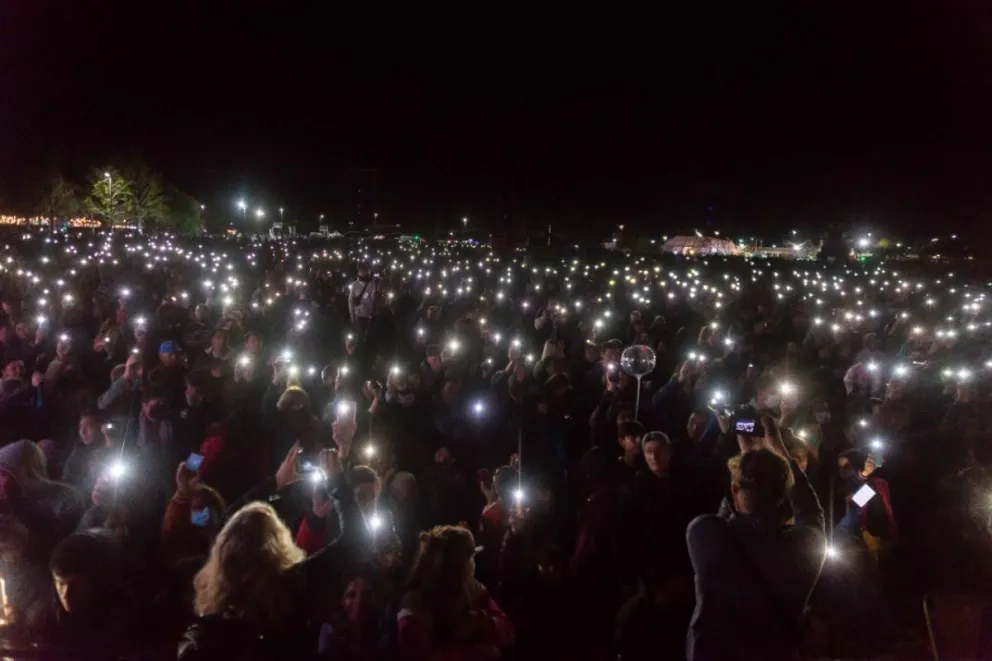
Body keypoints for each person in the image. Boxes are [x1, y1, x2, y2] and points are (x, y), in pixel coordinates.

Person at [686, 416, 826, 661]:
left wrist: (746, 463)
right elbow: (811, 513)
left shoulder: (703, 532)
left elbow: (725, 520)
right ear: (785, 493)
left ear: (734, 488)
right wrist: (782, 455)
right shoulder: (805, 544)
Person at [398, 525, 514, 660]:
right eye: (470, 558)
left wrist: (479, 622)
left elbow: (507, 630)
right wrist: (475, 653)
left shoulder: (473, 589)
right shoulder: (415, 602)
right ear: (456, 564)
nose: (474, 563)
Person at [349, 263, 379, 343]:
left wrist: (375, 293)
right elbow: (351, 301)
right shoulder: (354, 284)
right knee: (360, 337)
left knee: (370, 337)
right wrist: (352, 315)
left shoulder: (372, 284)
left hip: (370, 314)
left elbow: (374, 299)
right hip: (359, 315)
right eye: (364, 270)